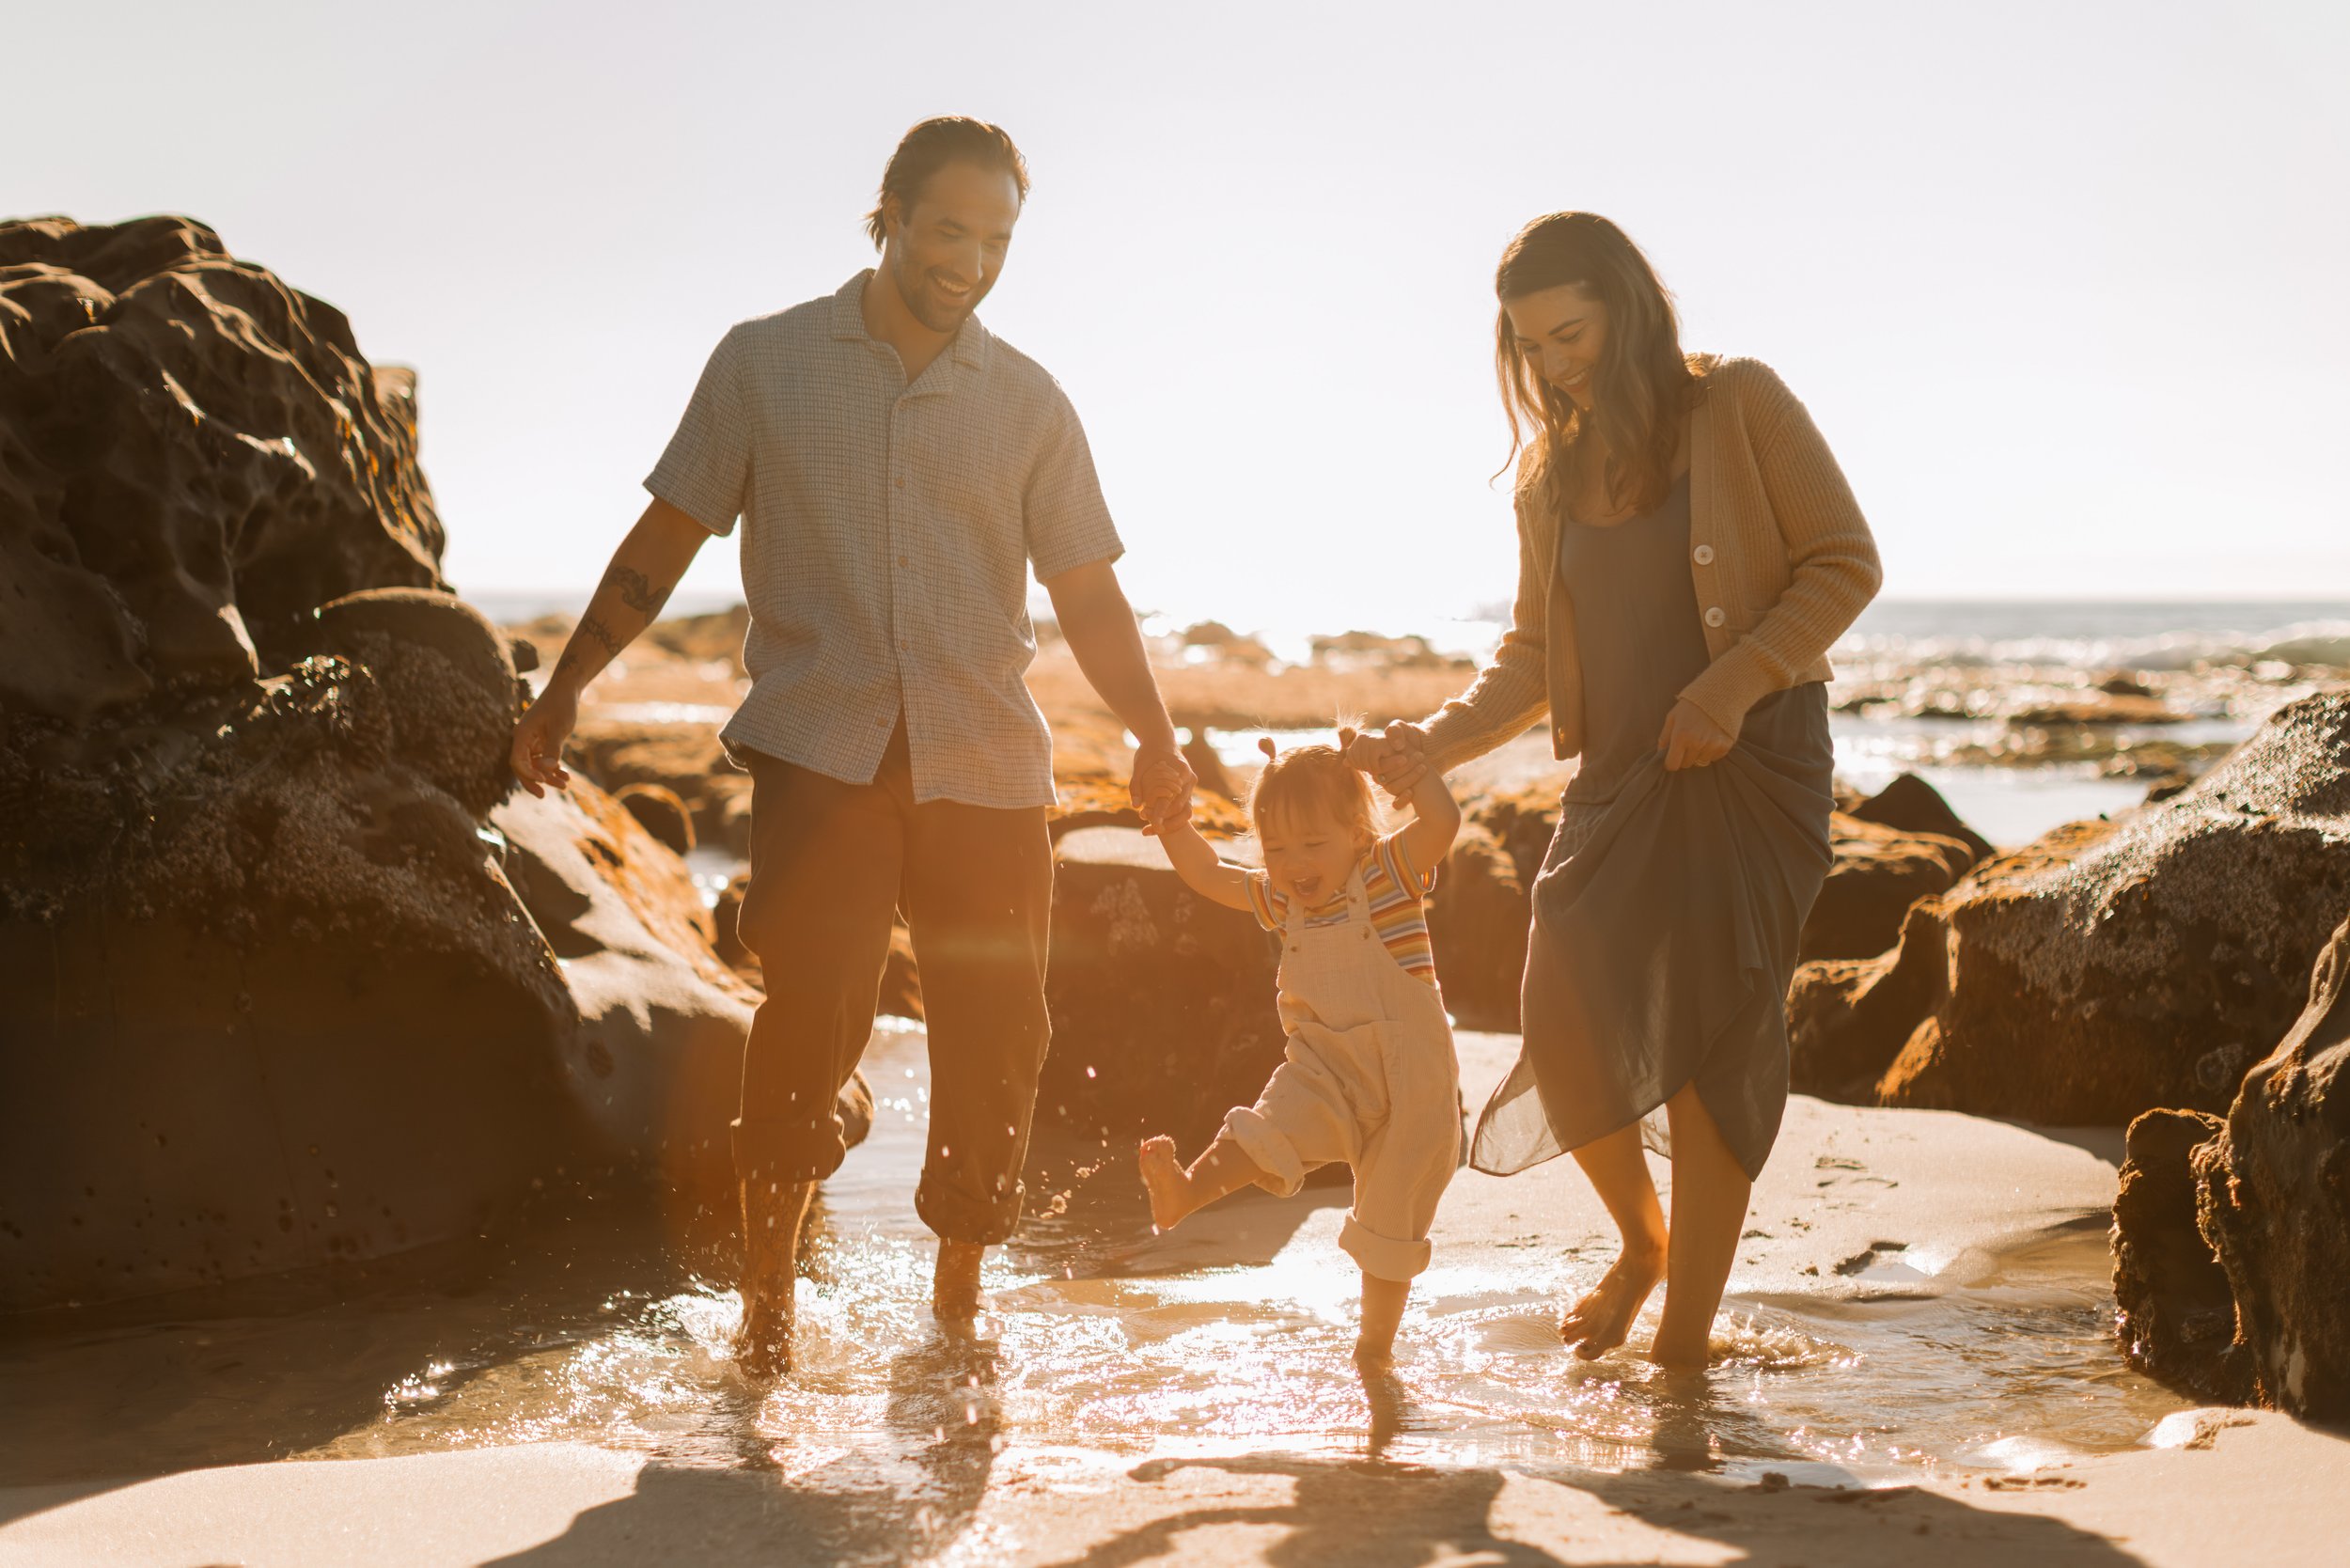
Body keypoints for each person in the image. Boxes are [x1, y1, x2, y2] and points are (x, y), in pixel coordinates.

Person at [509, 116, 1195, 1378]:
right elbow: (663, 541)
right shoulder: (766, 365)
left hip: (984, 763)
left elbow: (1088, 596)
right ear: (888, 211)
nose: (971, 262)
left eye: (997, 240)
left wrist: (1154, 735)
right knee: (811, 1019)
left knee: (1000, 1029)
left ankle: (956, 1294)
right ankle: (768, 1303)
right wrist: (562, 695)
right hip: (822, 751)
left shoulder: (1032, 401)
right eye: (948, 229)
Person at [1358, 212, 1882, 1370]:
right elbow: (1537, 657)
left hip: (1753, 768)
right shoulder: (1548, 477)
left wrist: (1731, 686)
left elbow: (1845, 559)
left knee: (1709, 1049)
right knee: (1563, 1012)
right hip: (1618, 781)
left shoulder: (1737, 402)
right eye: (1529, 345)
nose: (1552, 364)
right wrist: (1433, 743)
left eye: (1571, 332)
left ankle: (1681, 1346)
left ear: (1627, 305)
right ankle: (1641, 1248)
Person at [1138, 729, 1463, 1368]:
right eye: (1278, 848)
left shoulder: (1389, 873)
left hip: (1412, 1082)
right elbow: (1208, 874)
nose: (1295, 863)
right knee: (1270, 1129)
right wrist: (1176, 825)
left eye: (1314, 844)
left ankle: (1375, 1345)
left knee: (1392, 1211)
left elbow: (1443, 820)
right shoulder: (1280, 899)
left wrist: (1407, 770)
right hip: (1324, 1067)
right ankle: (1185, 1193)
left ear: (1357, 833)